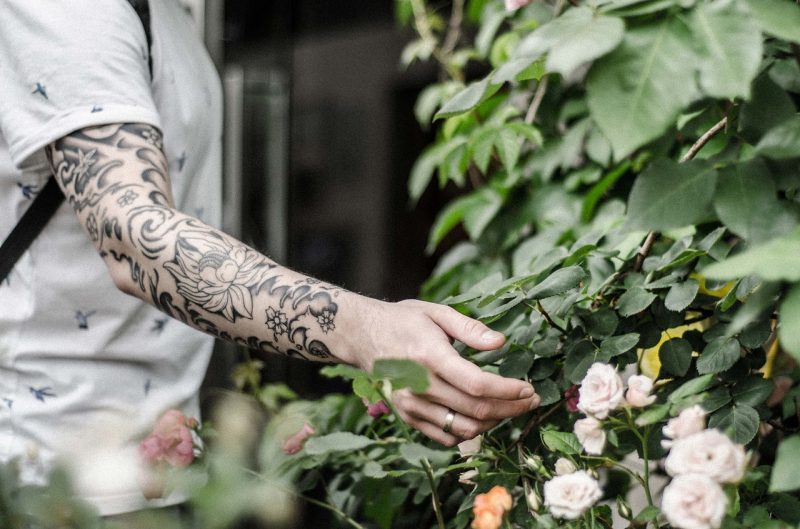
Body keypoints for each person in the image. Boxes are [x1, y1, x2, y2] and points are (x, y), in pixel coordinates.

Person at [0, 0, 540, 518]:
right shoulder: (67, 9)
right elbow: (130, 234)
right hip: (49, 478)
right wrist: (366, 329)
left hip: (146, 470)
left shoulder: (171, 13)